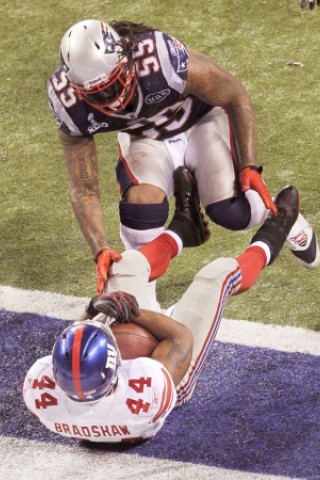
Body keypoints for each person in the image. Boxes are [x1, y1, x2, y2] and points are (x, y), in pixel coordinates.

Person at [48, 19, 320, 303]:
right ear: (76, 88)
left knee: (233, 213)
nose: (111, 98)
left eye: (112, 84)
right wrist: (100, 248)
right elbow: (84, 186)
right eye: (97, 93)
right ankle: (144, 295)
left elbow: (233, 94)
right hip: (146, 140)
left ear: (126, 61)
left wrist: (249, 165)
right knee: (141, 209)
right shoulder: (67, 102)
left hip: (200, 122)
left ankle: (285, 216)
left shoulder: (158, 57)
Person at [23, 167, 301, 443]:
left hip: (116, 384)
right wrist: (134, 313)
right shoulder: (147, 392)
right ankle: (272, 237)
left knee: (126, 265)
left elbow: (76, 344)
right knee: (218, 274)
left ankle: (183, 229)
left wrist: (95, 306)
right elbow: (180, 337)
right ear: (114, 370)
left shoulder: (42, 389)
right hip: (172, 378)